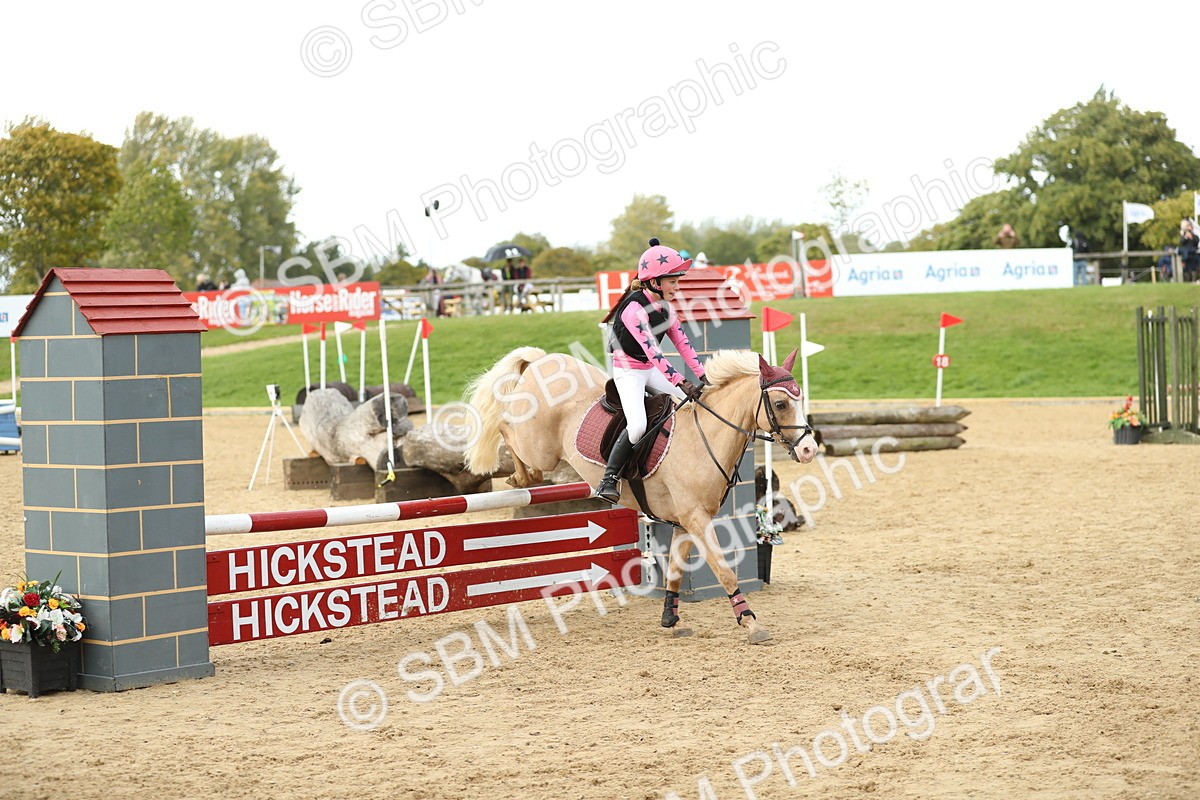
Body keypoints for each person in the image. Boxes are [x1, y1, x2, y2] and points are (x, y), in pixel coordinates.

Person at [595, 238, 707, 503]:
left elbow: (683, 344)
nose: (677, 287)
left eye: (678, 281)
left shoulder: (666, 308)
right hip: (629, 372)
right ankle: (608, 479)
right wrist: (681, 381)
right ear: (655, 282)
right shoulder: (633, 309)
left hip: (649, 369)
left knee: (690, 405)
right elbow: (654, 353)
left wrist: (703, 376)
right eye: (673, 282)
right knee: (637, 427)